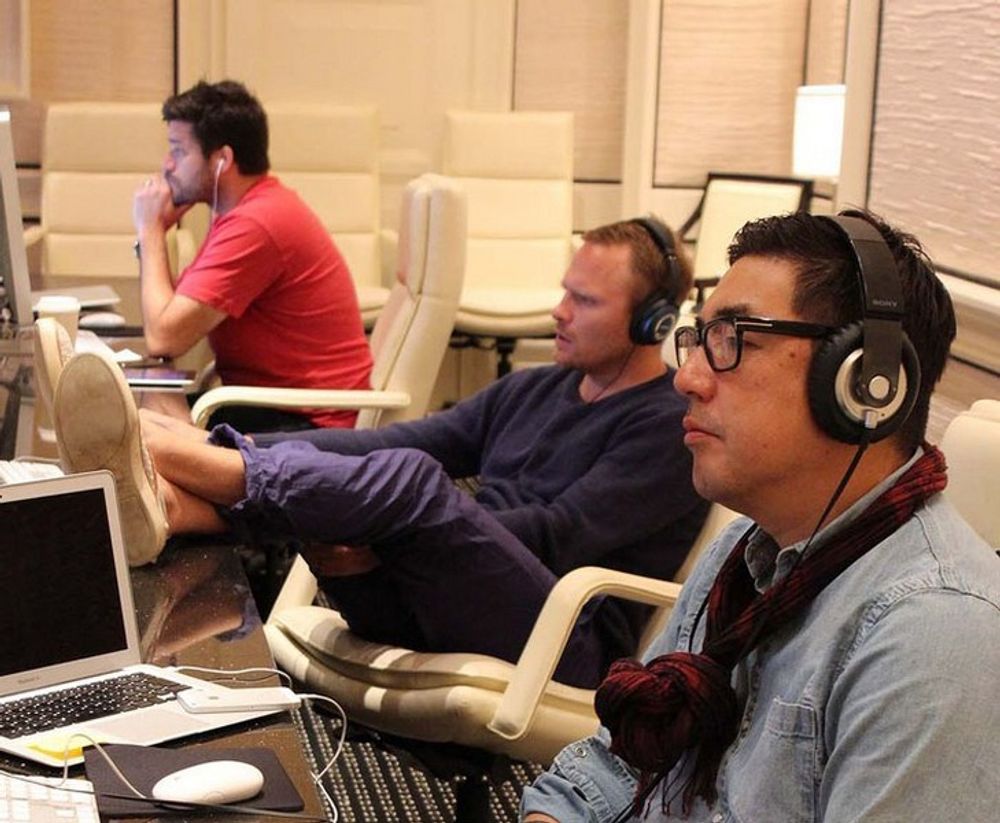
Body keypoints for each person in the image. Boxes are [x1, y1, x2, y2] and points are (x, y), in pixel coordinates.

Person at [53, 216, 709, 689]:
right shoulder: (536, 387)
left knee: (412, 486)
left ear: (653, 320)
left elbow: (554, 536)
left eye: (584, 300)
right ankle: (169, 498)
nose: (558, 311)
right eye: (564, 290)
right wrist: (251, 447)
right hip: (441, 596)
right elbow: (386, 437)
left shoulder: (665, 428)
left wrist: (403, 533)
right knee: (391, 468)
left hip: (562, 644)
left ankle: (155, 451)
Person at [521, 209, 1000, 821]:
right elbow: (621, 761)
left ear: (863, 383)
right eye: (699, 339)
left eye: (733, 341)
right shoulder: (745, 554)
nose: (687, 378)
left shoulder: (932, 635)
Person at [132, 79, 372, 431]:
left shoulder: (256, 224)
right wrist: (153, 235)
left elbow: (164, 336)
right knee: (140, 416)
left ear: (222, 160)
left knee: (138, 429)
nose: (167, 165)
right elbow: (171, 316)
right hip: (271, 407)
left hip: (309, 425)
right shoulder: (242, 211)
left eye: (179, 151)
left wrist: (149, 231)